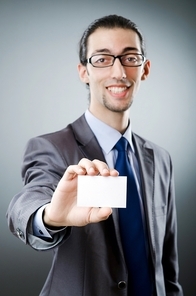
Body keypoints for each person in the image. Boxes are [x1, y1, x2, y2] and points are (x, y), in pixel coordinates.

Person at [6, 15, 183, 296]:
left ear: (145, 69)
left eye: (130, 58)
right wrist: (49, 216)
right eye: (102, 59)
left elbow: (167, 265)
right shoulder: (50, 147)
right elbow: (27, 201)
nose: (119, 73)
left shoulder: (160, 158)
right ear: (83, 72)